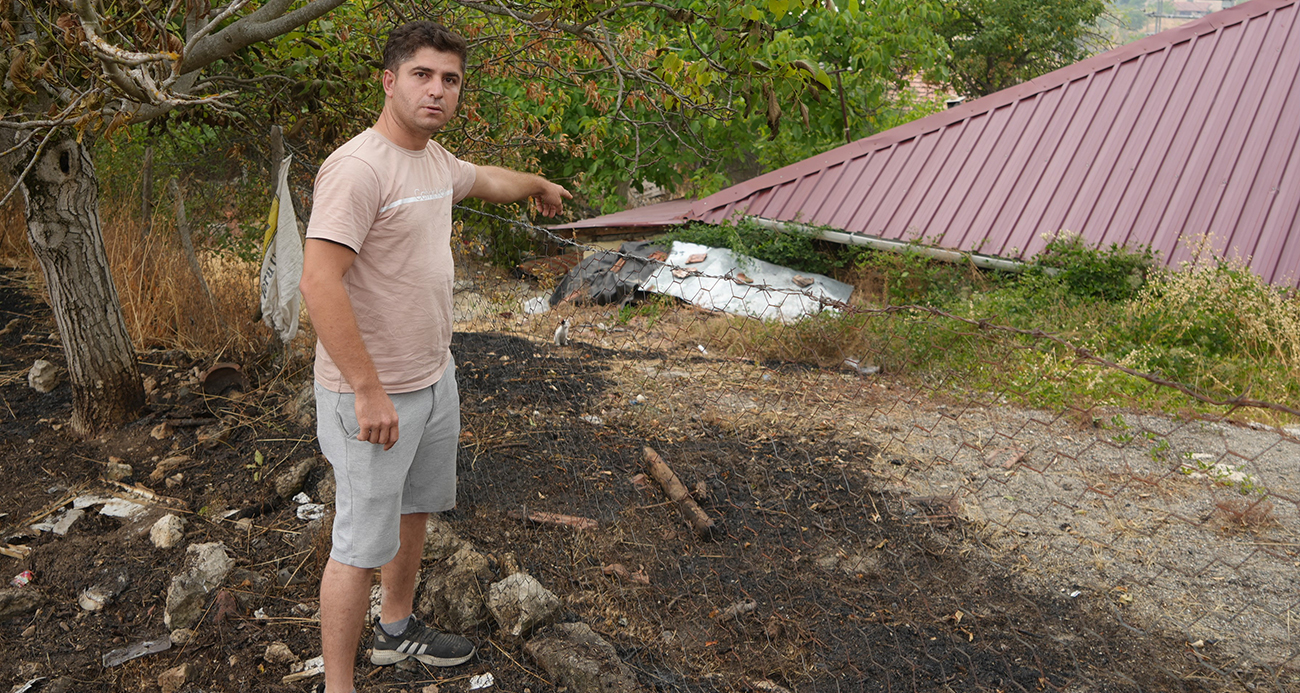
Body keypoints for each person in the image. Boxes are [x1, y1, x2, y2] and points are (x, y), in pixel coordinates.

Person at [298, 20, 571, 693]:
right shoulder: (359, 168)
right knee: (358, 544)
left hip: (431, 378)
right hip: (371, 394)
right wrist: (366, 389)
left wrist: (537, 182)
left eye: (450, 79)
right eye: (422, 75)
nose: (437, 90)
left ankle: (395, 630)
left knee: (416, 510)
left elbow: (485, 180)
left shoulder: (432, 161)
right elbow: (317, 281)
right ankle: (339, 685)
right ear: (389, 82)